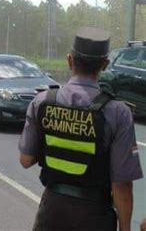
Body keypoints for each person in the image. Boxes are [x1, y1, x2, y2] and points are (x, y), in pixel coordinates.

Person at [18, 27, 143, 231]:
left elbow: (26, 160)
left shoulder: (41, 102)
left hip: (51, 212)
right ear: (105, 65)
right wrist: (125, 227)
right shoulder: (118, 112)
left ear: (69, 60)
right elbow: (122, 185)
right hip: (95, 216)